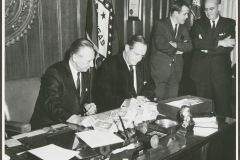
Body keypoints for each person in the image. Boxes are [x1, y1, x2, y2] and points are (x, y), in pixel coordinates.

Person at [30, 39, 97, 129]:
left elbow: (80, 98)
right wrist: (76, 119)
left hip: (72, 125)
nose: (92, 65)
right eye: (89, 61)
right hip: (48, 127)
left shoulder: (86, 71)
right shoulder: (54, 73)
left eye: (93, 60)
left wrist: (87, 106)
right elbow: (52, 105)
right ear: (75, 58)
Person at [190, 0, 235, 117]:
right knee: (202, 111)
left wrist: (207, 47)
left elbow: (228, 47)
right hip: (201, 74)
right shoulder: (198, 23)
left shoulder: (229, 23)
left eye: (211, 9)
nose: (208, 12)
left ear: (219, 7)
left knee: (223, 110)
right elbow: (196, 44)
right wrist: (220, 42)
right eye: (205, 9)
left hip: (221, 74)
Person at [96, 35, 155, 112]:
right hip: (116, 112)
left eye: (142, 55)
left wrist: (143, 96)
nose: (139, 59)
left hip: (138, 112)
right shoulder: (110, 64)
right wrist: (124, 102)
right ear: (127, 48)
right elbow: (103, 94)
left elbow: (150, 85)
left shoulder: (144, 63)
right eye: (136, 54)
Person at [150, 0, 192, 101]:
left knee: (171, 104)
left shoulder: (183, 28)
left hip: (176, 72)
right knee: (156, 104)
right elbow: (160, 44)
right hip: (160, 72)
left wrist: (176, 44)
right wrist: (177, 50)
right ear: (176, 13)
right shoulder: (160, 24)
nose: (187, 17)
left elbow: (190, 46)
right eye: (185, 14)